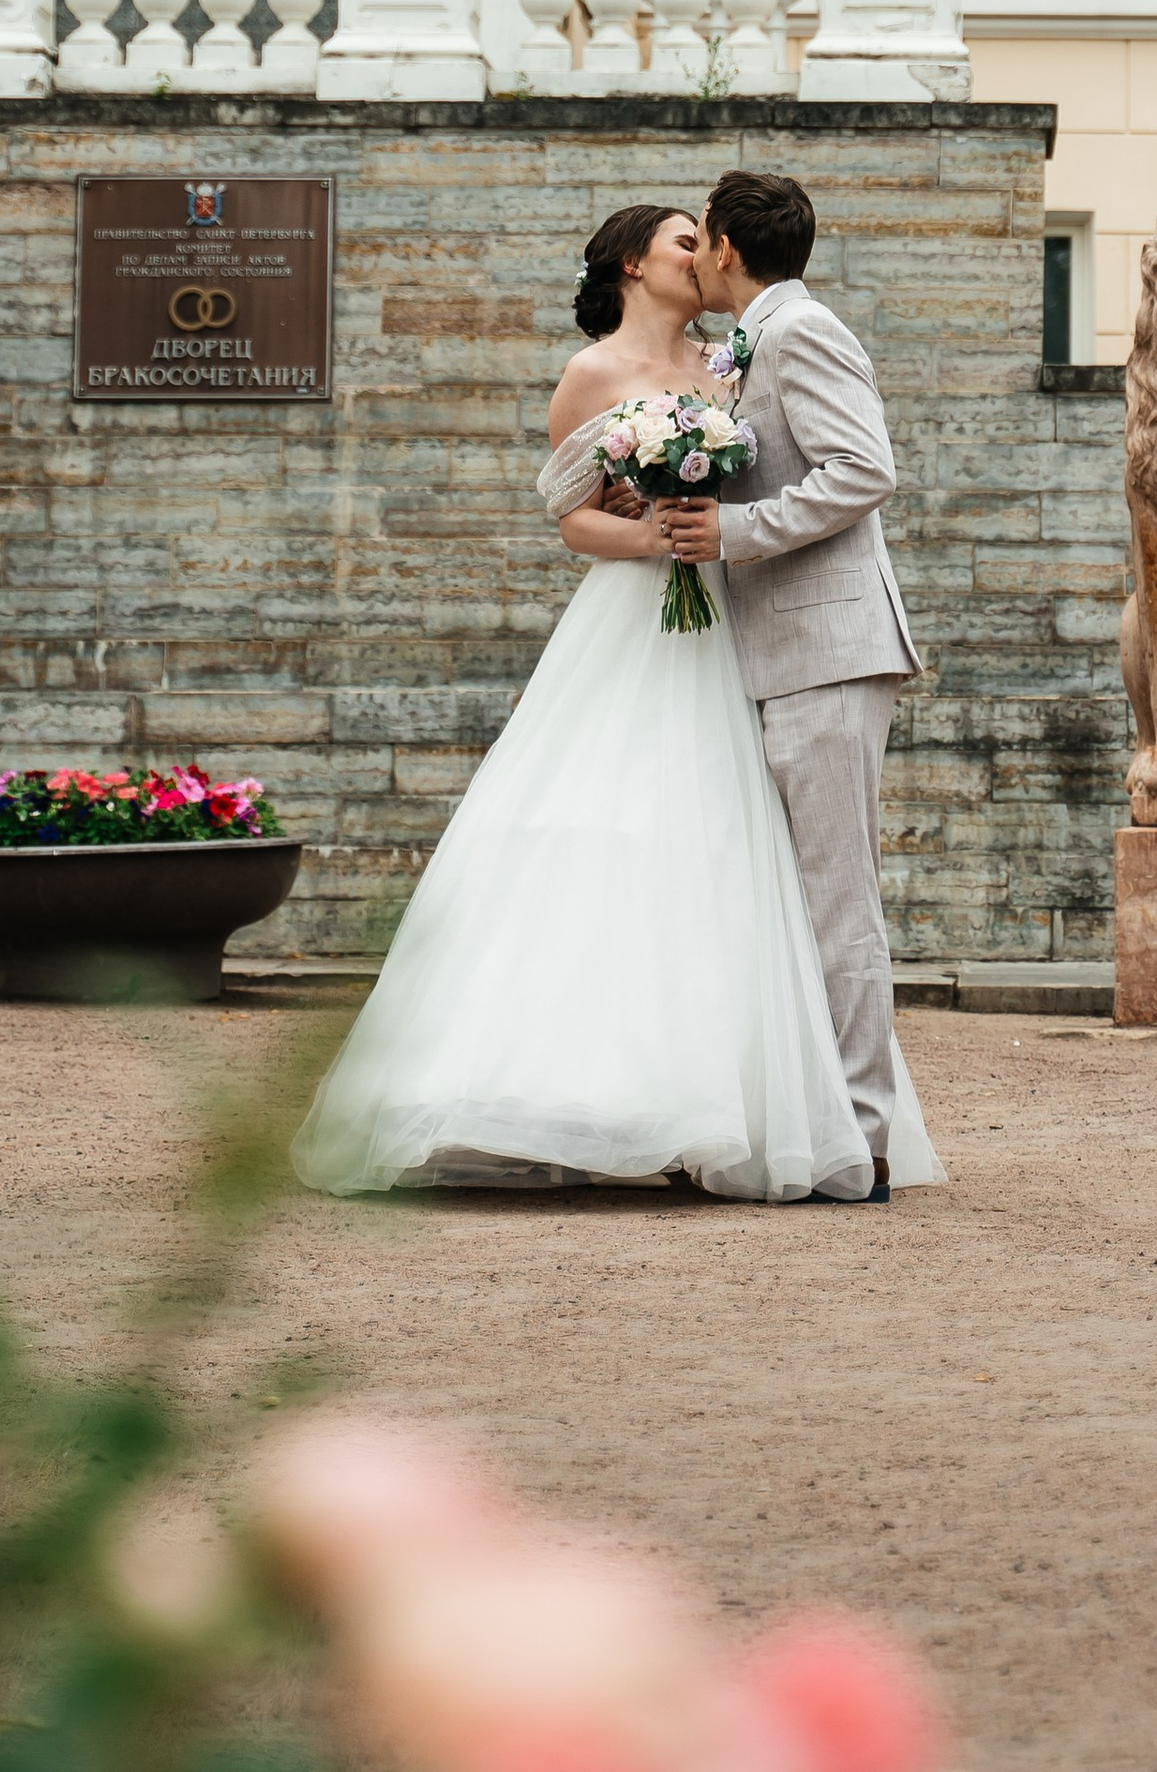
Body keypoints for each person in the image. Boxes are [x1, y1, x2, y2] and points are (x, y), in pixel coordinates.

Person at [290, 200, 941, 1207]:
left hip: (742, 627)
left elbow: (793, 480)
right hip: (643, 620)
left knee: (740, 865)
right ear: (633, 264)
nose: (700, 255)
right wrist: (658, 540)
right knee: (606, 837)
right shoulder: (594, 376)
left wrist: (710, 529)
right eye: (682, 241)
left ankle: (755, 1108)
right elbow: (572, 520)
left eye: (705, 238)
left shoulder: (733, 359)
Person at [658, 170, 920, 1203]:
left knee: (835, 899)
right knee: (789, 900)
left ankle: (859, 1139)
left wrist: (736, 531)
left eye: (700, 238)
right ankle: (807, 1121)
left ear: (725, 246)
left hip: (829, 652)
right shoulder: (749, 340)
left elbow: (864, 470)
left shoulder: (802, 330)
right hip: (778, 652)